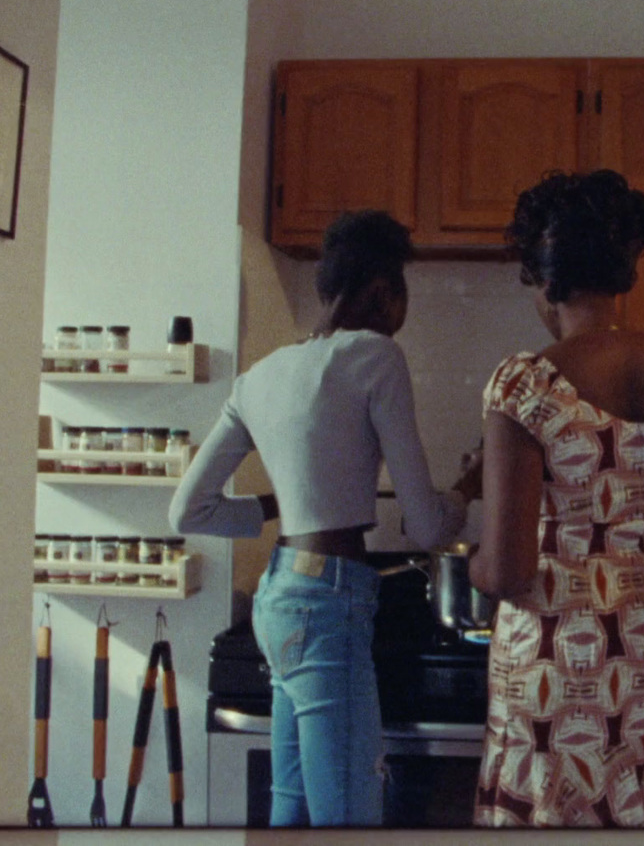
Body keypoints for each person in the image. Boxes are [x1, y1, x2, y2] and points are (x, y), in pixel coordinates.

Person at [169, 210, 479, 827]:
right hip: (329, 604)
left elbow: (188, 510)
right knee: (349, 819)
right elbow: (425, 526)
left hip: (277, 598)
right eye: (402, 296)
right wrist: (470, 487)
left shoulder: (259, 378)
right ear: (382, 292)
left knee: (294, 807)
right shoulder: (376, 356)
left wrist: (282, 502)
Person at [469, 169, 644, 828]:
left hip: (563, 662)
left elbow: (510, 569)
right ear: (624, 266)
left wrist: (474, 563)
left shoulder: (526, 383)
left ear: (545, 278)